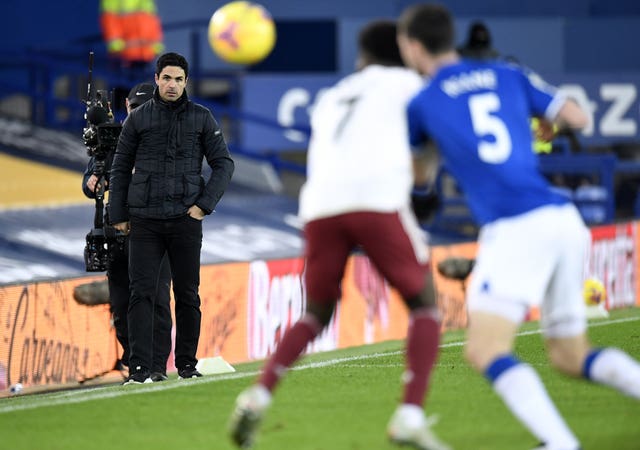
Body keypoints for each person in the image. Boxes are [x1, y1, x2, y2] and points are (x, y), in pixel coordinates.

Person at [397, 4, 640, 449]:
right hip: (563, 220)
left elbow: (421, 177)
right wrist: (539, 122)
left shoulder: (422, 102)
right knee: (570, 355)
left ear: (413, 46)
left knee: (485, 350)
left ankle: (561, 443)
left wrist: (421, 193)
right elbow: (578, 118)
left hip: (516, 226)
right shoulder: (508, 74)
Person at [229, 21, 450, 450]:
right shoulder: (411, 84)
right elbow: (424, 159)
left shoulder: (334, 95)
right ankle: (409, 415)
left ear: (362, 56)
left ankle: (257, 394)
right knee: (425, 304)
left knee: (315, 313)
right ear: (405, 50)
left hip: (320, 207)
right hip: (376, 202)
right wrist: (425, 181)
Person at [109, 52, 234, 384]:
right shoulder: (137, 120)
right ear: (156, 79)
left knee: (188, 294)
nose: (172, 85)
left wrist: (203, 206)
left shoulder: (202, 117)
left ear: (186, 82)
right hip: (145, 220)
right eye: (167, 78)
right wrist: (118, 214)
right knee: (142, 293)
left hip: (185, 219)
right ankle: (139, 369)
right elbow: (120, 168)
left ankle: (187, 365)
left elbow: (224, 164)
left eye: (179, 79)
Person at [80, 82, 173, 382]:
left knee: (155, 299)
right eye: (134, 108)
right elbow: (89, 181)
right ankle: (136, 364)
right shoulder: (112, 140)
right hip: (117, 232)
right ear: (127, 110)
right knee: (121, 304)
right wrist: (94, 180)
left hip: (156, 228)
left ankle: (156, 366)